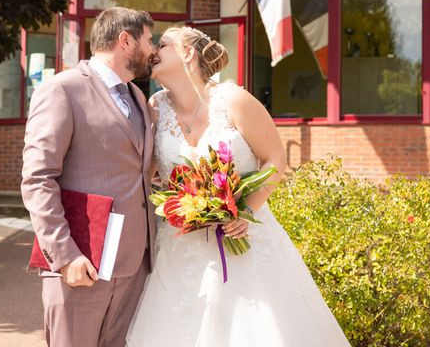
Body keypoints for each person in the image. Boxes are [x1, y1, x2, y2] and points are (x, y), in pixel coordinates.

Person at [126, 26, 351, 346]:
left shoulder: (233, 100)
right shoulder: (155, 107)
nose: (153, 52)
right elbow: (147, 172)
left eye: (163, 44)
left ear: (187, 53)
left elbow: (275, 159)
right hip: (180, 248)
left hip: (242, 240)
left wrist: (245, 211)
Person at [21, 7, 157, 347]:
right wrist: (64, 256)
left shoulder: (138, 96)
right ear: (126, 40)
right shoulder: (62, 90)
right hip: (82, 261)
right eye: (149, 40)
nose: (153, 51)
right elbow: (38, 178)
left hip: (134, 263)